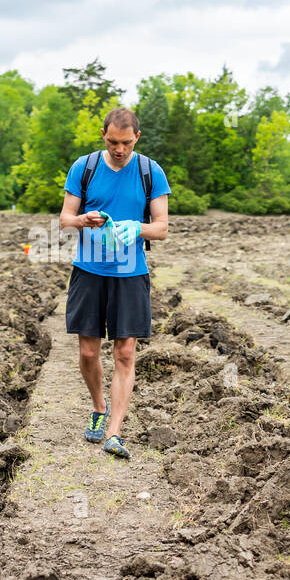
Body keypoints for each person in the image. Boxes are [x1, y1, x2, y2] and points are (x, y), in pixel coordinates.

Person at [58, 107, 170, 459]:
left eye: (125, 142)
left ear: (137, 137)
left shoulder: (150, 172)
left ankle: (114, 432)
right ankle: (98, 406)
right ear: (103, 136)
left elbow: (162, 228)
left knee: (124, 352)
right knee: (89, 351)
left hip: (130, 274)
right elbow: (63, 219)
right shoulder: (85, 167)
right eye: (112, 142)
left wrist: (137, 227)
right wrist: (82, 220)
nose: (118, 149)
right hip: (89, 271)